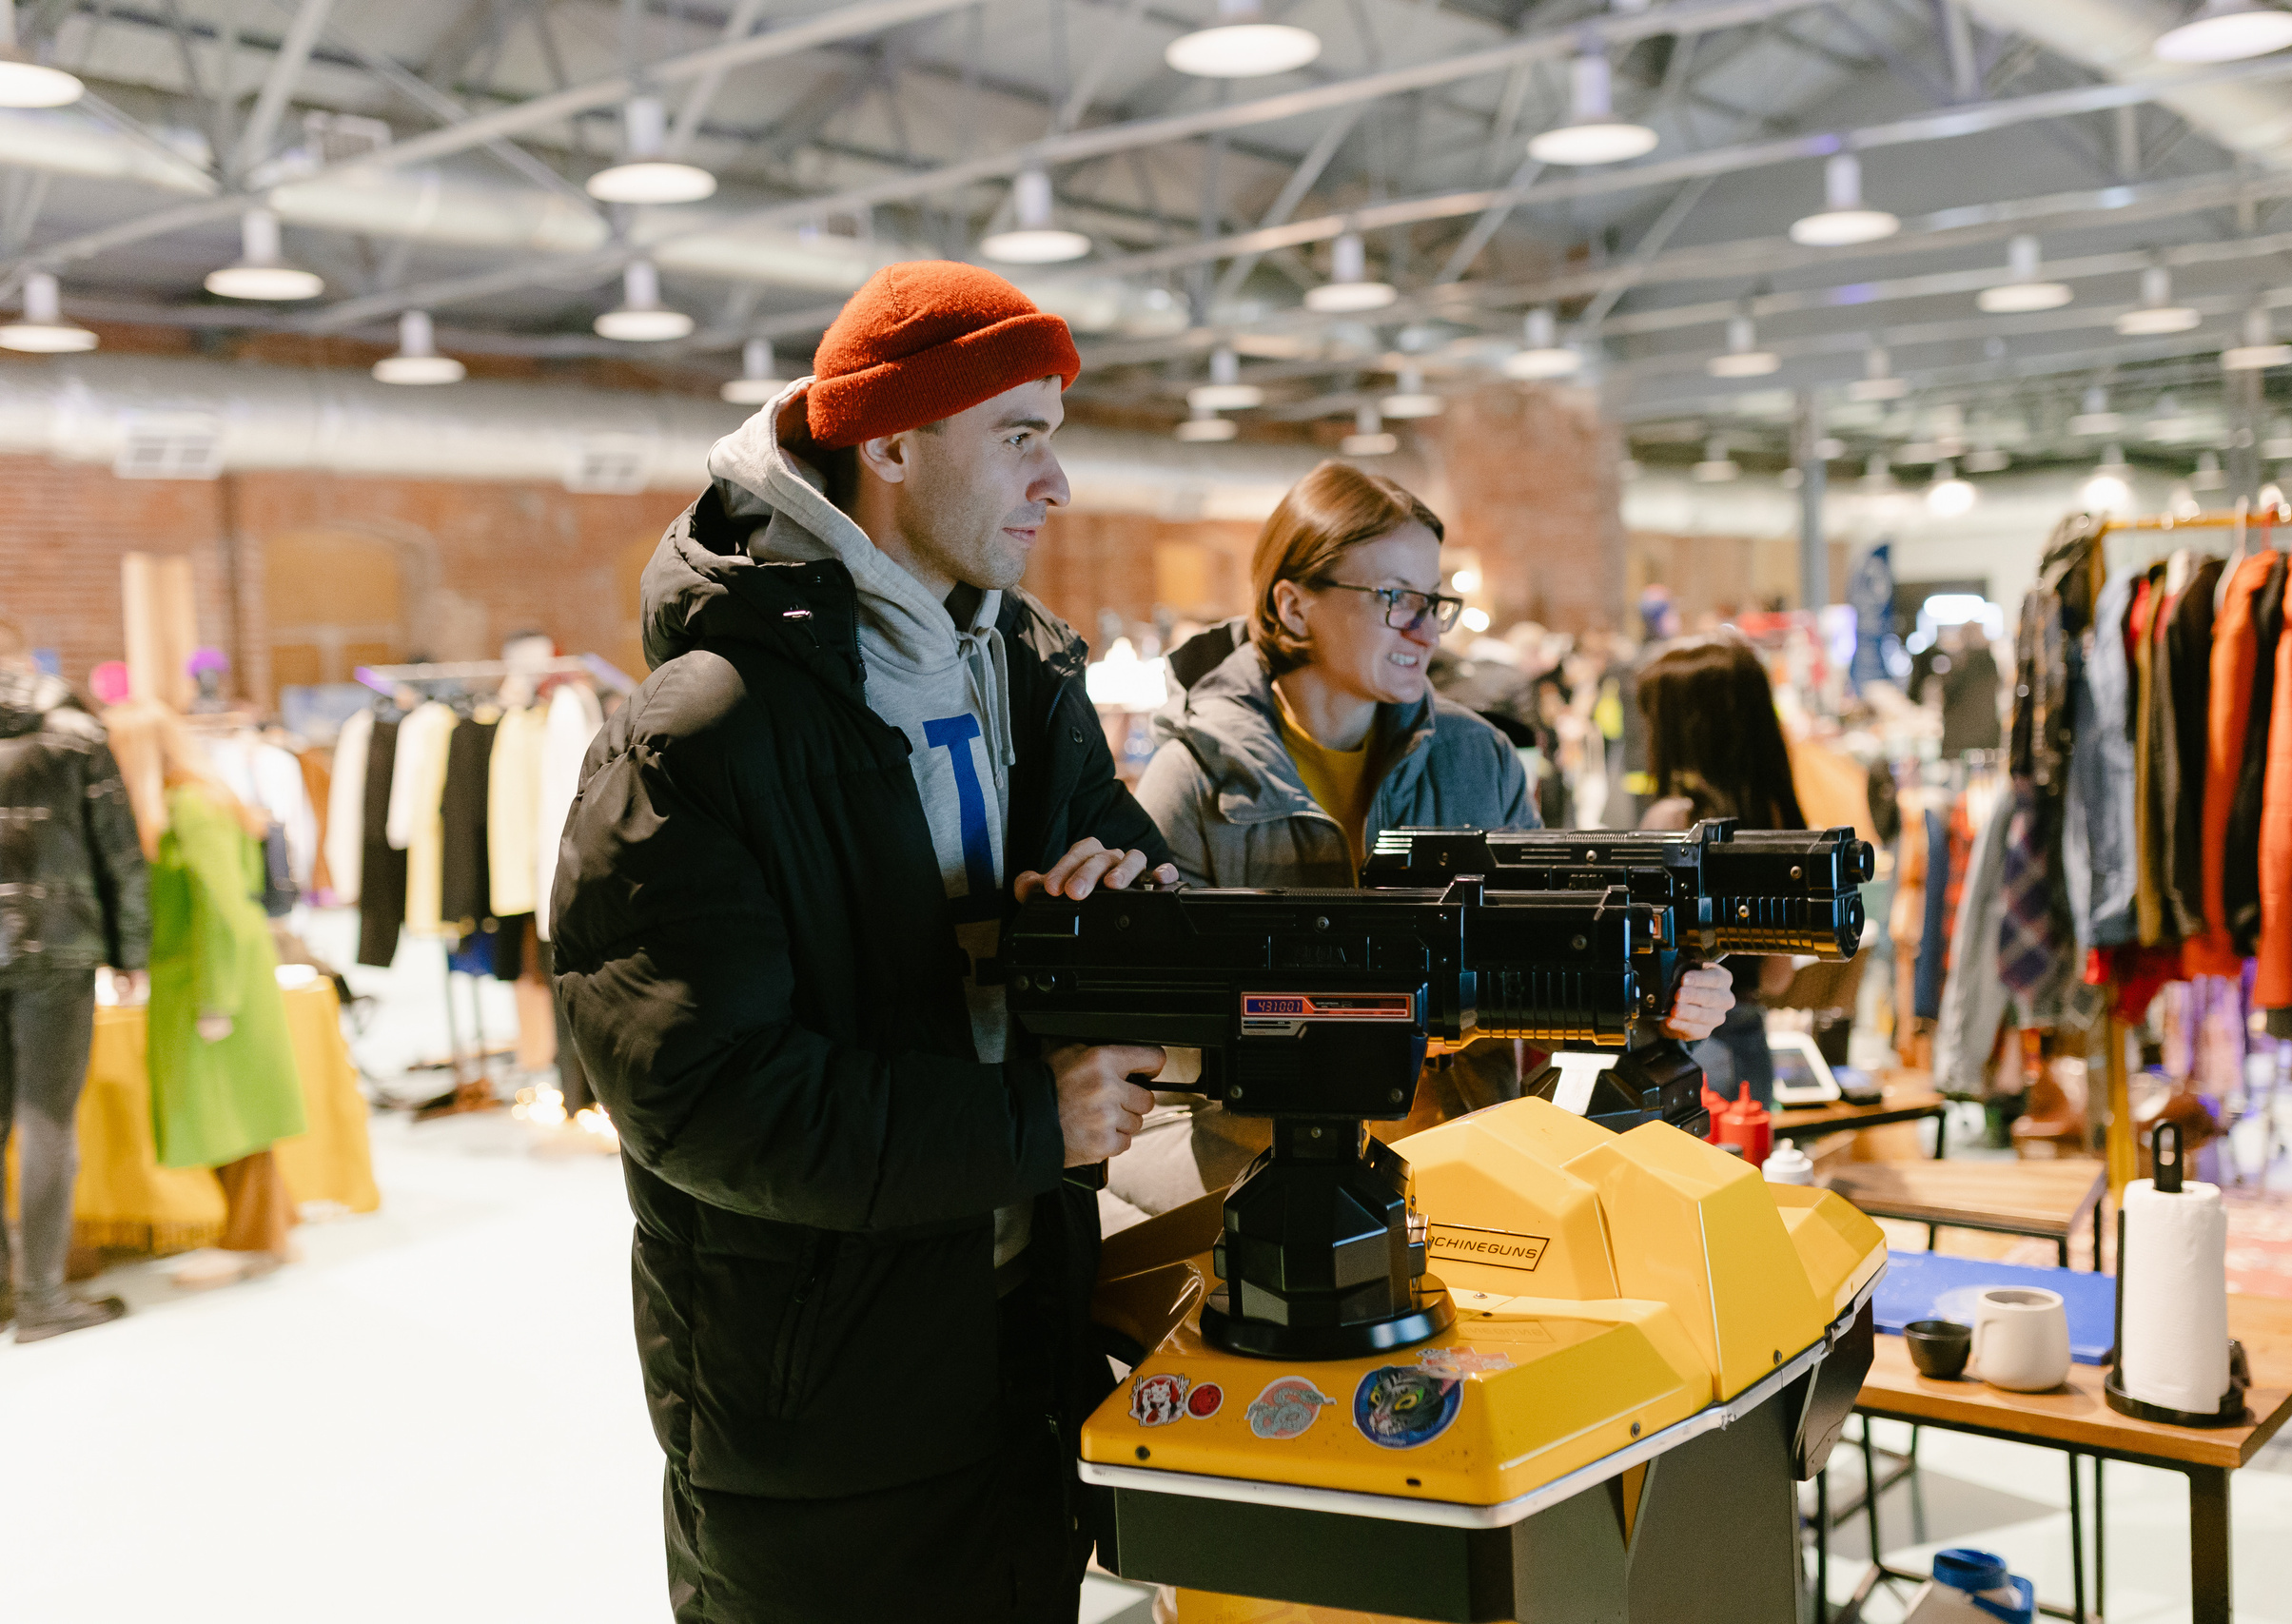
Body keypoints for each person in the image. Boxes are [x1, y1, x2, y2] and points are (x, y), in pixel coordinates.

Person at [551, 262, 1175, 1624]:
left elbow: (1146, 865)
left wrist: (1133, 899)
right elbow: (705, 1097)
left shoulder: (1024, 669)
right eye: (1021, 433)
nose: (1056, 482)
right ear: (890, 441)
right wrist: (1032, 1120)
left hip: (1020, 1358)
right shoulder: (698, 730)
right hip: (824, 1416)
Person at [1126, 462, 1734, 1211]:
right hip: (1253, 1188)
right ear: (1293, 606)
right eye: (1393, 598)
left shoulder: (1479, 757)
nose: (1424, 627)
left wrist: (1653, 994)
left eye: (1433, 601)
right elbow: (1157, 1032)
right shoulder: (1193, 779)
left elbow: (1550, 951)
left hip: (1465, 1175)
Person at [107, 701, 310, 1288]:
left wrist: (217, 998)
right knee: (232, 1106)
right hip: (198, 975)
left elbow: (221, 909)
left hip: (212, 977)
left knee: (228, 1108)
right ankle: (271, 1227)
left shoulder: (190, 806)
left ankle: (251, 1239)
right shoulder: (190, 802)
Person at [0, 632, 148, 1342]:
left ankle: (12, 1288)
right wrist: (133, 949)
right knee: (46, 1121)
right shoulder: (77, 732)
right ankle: (41, 1298)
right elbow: (117, 847)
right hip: (58, 946)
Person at [1636, 632, 1808, 1105]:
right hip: (1750, 1043)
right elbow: (1777, 975)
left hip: (1690, 1050)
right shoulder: (1774, 818)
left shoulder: (1673, 824)